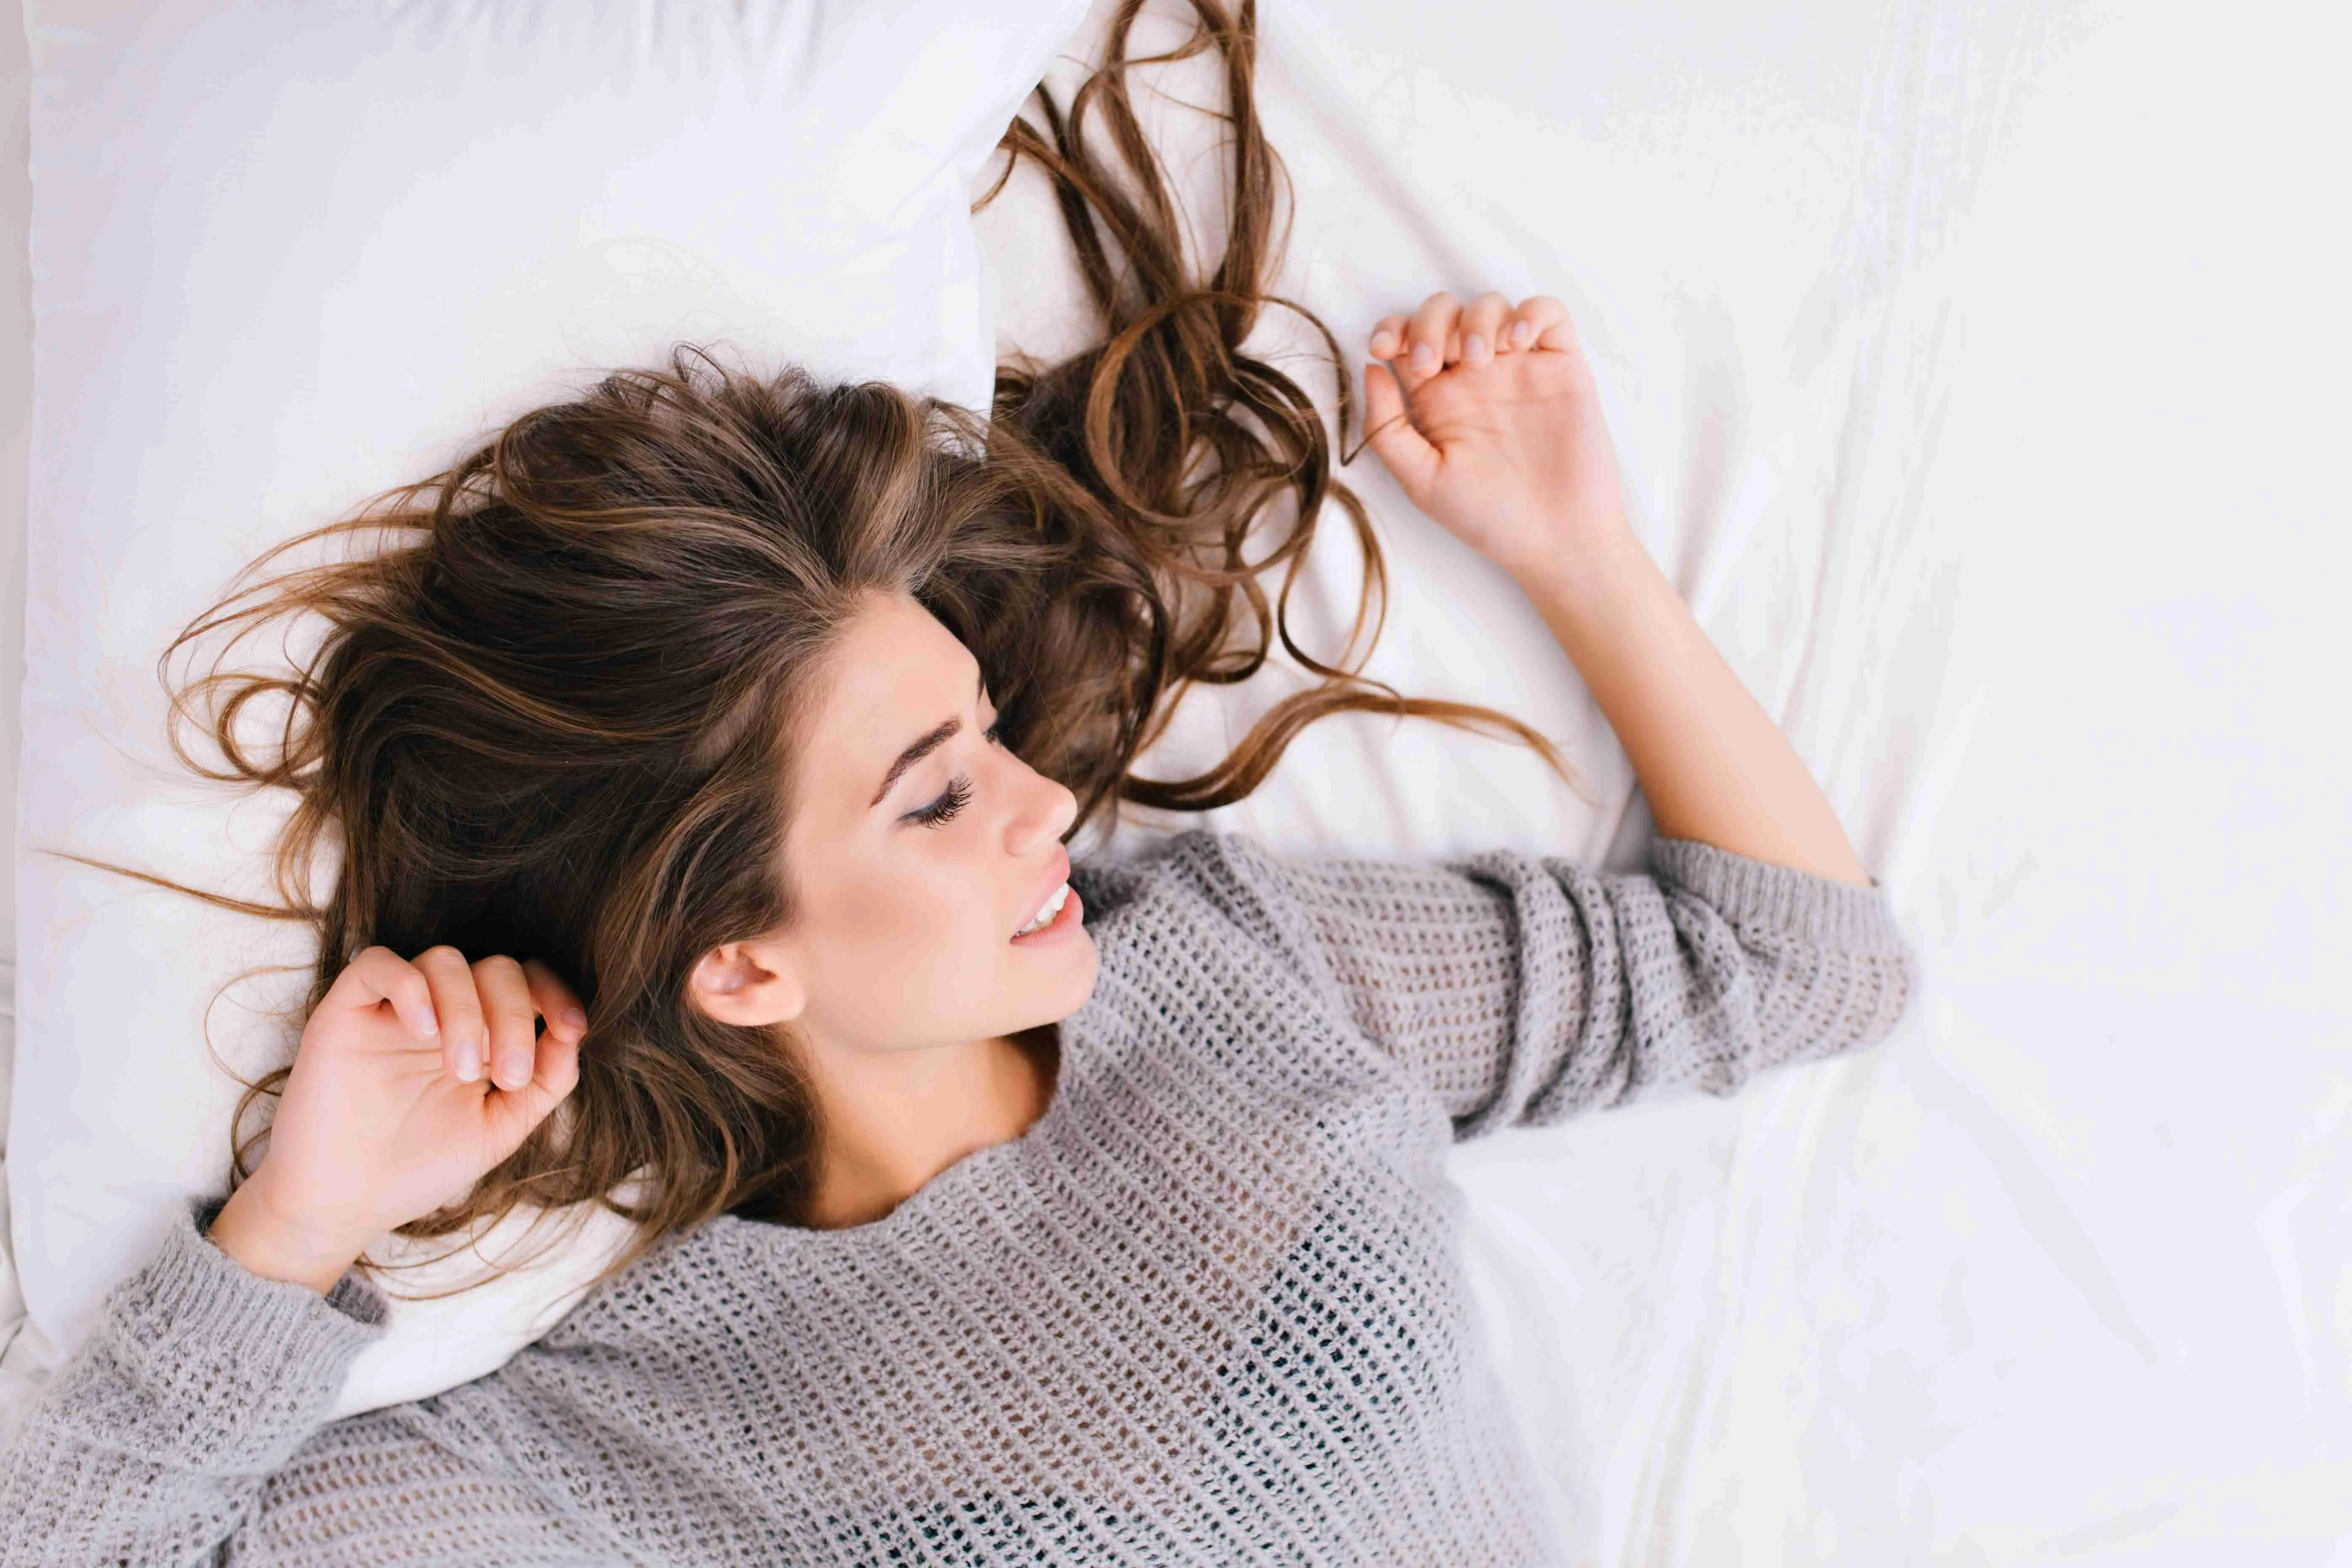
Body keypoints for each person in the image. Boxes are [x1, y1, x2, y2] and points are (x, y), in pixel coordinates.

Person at [0, 4, 1915, 1562]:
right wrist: (298, 1227)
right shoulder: (600, 1439)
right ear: (739, 964)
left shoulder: (1232, 977)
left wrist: (1576, 548)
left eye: (982, 737)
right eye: (930, 798)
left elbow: (1792, 966)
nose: (1039, 811)